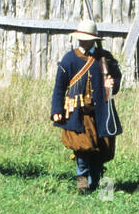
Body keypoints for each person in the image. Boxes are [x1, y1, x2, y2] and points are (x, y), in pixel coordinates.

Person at [51, 18, 123, 193]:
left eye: (86, 38)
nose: (82, 41)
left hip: (101, 112)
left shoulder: (105, 58)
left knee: (100, 149)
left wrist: (112, 84)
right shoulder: (69, 59)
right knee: (81, 149)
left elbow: (117, 80)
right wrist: (56, 110)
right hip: (78, 113)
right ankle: (82, 180)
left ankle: (96, 182)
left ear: (94, 39)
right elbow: (59, 87)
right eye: (80, 37)